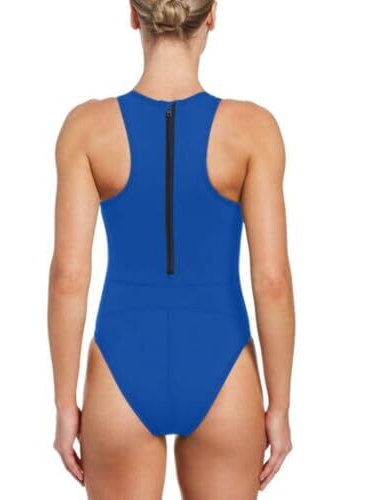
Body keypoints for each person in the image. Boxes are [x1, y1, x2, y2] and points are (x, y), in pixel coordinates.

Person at [47, 0, 295, 498]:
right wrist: (280, 406)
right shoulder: (254, 130)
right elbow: (272, 281)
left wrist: (64, 404)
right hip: (224, 367)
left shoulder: (87, 128)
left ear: (133, 15)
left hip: (120, 365)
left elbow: (69, 278)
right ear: (212, 16)